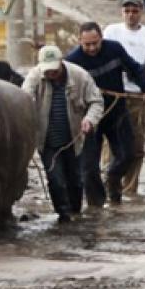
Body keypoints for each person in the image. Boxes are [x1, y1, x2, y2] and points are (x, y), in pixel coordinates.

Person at [65, 23, 145, 208]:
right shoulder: (73, 62)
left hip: (116, 112)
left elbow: (135, 69)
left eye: (95, 43)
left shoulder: (114, 49)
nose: (92, 48)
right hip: (89, 118)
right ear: (79, 42)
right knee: (89, 168)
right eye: (87, 45)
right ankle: (96, 208)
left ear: (102, 39)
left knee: (128, 154)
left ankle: (113, 182)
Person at [22, 45, 103, 222]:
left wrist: (89, 120)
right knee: (56, 179)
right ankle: (63, 215)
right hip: (48, 141)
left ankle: (75, 212)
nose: (50, 74)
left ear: (61, 63)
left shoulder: (79, 75)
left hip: (75, 139)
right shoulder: (35, 77)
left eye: (54, 70)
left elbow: (96, 101)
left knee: (76, 179)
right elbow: (24, 101)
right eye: (47, 70)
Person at [101, 0, 145, 197]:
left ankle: (130, 188)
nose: (130, 15)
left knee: (136, 141)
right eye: (127, 11)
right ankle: (109, 184)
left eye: (134, 11)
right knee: (111, 141)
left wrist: (131, 70)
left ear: (141, 13)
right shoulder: (111, 31)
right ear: (121, 13)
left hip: (137, 95)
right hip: (113, 94)